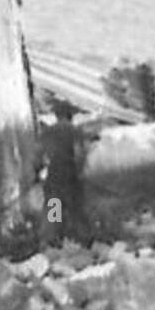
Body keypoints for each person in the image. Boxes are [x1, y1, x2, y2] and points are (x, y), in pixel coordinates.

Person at [41, 101, 87, 245]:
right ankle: (78, 238)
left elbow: (40, 155)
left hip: (53, 173)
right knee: (74, 206)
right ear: (70, 115)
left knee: (55, 206)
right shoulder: (74, 131)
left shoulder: (48, 132)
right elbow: (80, 154)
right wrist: (80, 172)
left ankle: (53, 238)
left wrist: (38, 172)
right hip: (69, 172)